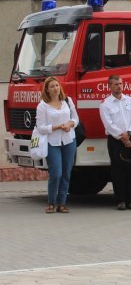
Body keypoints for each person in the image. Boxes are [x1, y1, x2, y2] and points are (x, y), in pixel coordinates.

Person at [36, 76, 79, 214]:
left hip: (69, 141)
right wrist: (56, 127)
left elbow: (76, 119)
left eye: (57, 85)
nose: (55, 88)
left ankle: (62, 203)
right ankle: (51, 202)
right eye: (52, 86)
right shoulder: (43, 105)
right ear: (47, 90)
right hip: (52, 142)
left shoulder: (67, 101)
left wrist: (69, 124)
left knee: (66, 173)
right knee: (56, 173)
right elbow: (41, 127)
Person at [99, 75, 131, 210]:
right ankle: (120, 200)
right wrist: (123, 138)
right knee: (118, 171)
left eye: (121, 84)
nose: (119, 86)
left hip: (130, 137)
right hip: (115, 140)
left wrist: (129, 134)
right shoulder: (105, 104)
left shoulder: (130, 100)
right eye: (116, 84)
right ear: (110, 86)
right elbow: (108, 124)